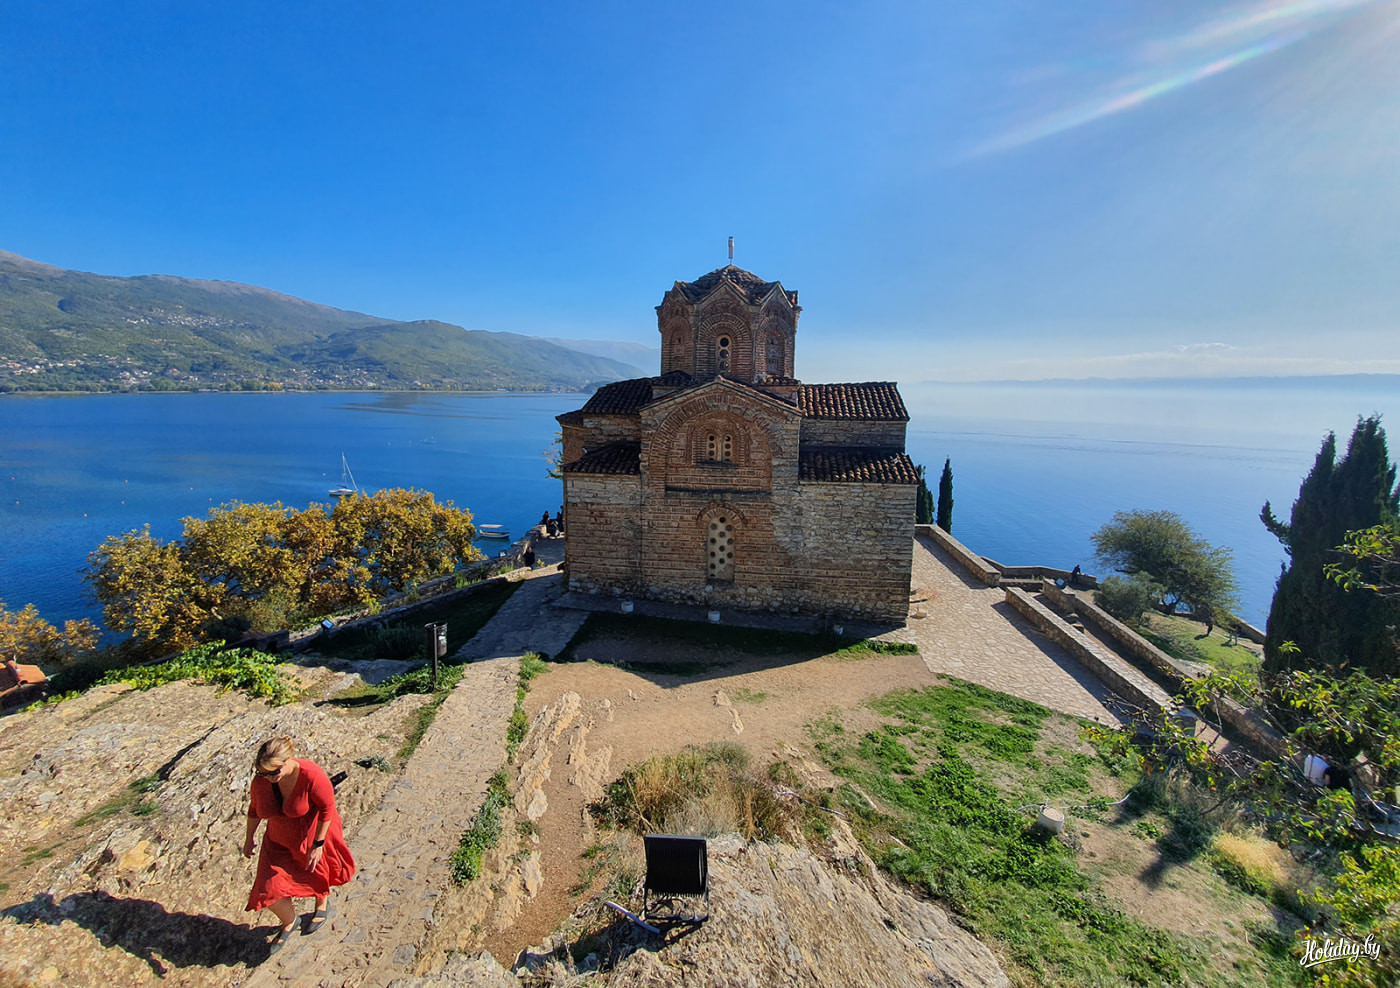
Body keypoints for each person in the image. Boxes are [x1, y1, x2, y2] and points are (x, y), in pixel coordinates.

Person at [243, 736, 355, 954]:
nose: (269, 777)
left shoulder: (311, 775)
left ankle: (321, 902)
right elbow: (254, 809)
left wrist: (318, 844)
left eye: (274, 772)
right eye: (264, 773)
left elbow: (327, 808)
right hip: (277, 841)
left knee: (317, 872)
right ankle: (290, 921)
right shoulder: (262, 780)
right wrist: (249, 838)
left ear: (288, 760)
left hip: (310, 835)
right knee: (268, 890)